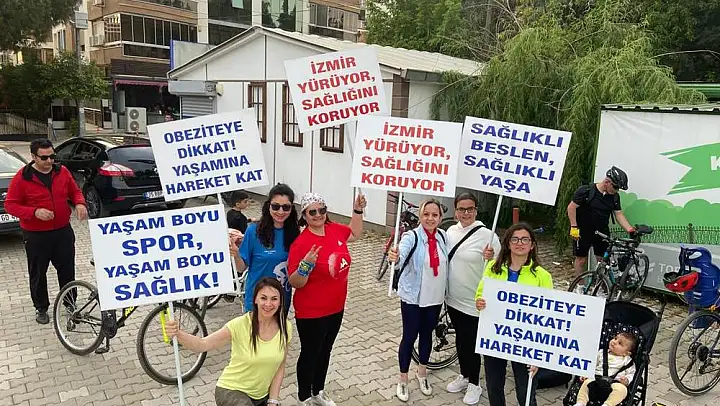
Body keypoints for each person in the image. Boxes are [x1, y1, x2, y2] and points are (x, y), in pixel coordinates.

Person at [287, 192, 366, 406]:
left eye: (321, 210)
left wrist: (357, 210)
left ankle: (317, 391)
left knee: (325, 351)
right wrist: (305, 266)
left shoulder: (334, 230)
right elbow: (295, 282)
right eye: (312, 212)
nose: (318, 215)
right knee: (310, 353)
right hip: (311, 311)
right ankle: (304, 397)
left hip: (336, 306)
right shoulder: (301, 243)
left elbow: (355, 232)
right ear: (304, 215)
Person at [166, 277, 291, 406]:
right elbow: (202, 344)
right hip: (232, 391)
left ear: (280, 302)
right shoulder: (239, 325)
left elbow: (279, 366)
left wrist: (273, 401)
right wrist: (178, 334)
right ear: (255, 299)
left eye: (274, 299)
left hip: (261, 396)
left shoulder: (286, 327)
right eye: (263, 298)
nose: (268, 304)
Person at [3, 139, 88, 324]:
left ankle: (70, 304)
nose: (49, 161)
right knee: (38, 273)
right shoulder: (22, 177)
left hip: (62, 232)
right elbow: (10, 205)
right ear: (33, 157)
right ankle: (41, 308)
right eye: (44, 158)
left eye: (52, 156)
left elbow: (74, 191)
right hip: (36, 235)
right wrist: (34, 212)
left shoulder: (62, 171)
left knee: (67, 270)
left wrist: (80, 203)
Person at [475, 223, 553, 406]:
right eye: (515, 239)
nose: (520, 243)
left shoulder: (543, 276)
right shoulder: (493, 268)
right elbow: (480, 293)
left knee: (525, 392)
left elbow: (548, 315)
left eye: (525, 239)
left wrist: (538, 354)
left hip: (526, 340)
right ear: (508, 244)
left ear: (532, 245)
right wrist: (479, 302)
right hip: (496, 335)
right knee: (494, 386)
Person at [387, 199, 449, 403]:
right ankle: (403, 379)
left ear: (440, 218)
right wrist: (395, 256)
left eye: (434, 215)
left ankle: (422, 373)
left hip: (435, 297)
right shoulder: (411, 237)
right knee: (409, 336)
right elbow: (400, 254)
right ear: (420, 216)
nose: (430, 218)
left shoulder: (443, 237)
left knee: (427, 335)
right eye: (426, 214)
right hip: (414, 298)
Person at [444, 193, 501, 405]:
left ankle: (475, 384)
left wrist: (492, 257)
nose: (466, 213)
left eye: (470, 209)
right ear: (456, 210)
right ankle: (464, 375)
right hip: (453, 298)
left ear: (476, 210)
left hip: (473, 301)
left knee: (472, 344)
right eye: (461, 209)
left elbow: (500, 266)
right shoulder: (451, 231)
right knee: (460, 340)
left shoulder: (488, 235)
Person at [230, 184, 300, 314]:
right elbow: (241, 268)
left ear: (291, 208)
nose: (280, 212)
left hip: (281, 300)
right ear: (268, 206)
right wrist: (236, 254)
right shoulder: (253, 231)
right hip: (257, 301)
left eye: (286, 207)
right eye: (275, 206)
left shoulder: (294, 233)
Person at [567, 166, 635, 285]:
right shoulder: (586, 191)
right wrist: (573, 226)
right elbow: (571, 207)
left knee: (602, 261)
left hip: (601, 232)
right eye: (615, 187)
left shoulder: (614, 197)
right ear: (607, 182)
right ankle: (580, 286)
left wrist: (630, 229)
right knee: (581, 260)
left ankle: (600, 286)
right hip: (583, 231)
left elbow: (618, 214)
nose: (617, 190)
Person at [574, 332, 637, 406]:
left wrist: (626, 380)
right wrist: (586, 373)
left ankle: (607, 404)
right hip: (596, 380)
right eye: (615, 338)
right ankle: (581, 402)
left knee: (622, 390)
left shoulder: (628, 361)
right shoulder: (601, 353)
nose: (614, 342)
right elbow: (591, 364)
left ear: (626, 353)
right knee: (586, 383)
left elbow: (631, 373)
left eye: (620, 343)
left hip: (614, 383)